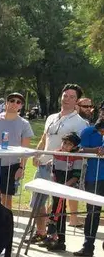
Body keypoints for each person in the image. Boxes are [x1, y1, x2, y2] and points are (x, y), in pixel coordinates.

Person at [29, 84, 89, 246]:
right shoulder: (51, 117)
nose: (67, 99)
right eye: (65, 95)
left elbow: (78, 148)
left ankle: (56, 238)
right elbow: (44, 138)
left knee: (57, 205)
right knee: (37, 202)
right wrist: (37, 153)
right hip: (43, 165)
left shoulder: (80, 123)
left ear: (76, 101)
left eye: (71, 97)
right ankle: (41, 232)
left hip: (62, 168)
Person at [0, 93, 34, 209]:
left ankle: (6, 224)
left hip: (12, 165)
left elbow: (25, 149)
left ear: (21, 106)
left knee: (7, 199)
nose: (14, 103)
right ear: (6, 103)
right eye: (12, 100)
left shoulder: (24, 124)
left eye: (18, 102)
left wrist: (21, 168)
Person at [45, 132, 83, 252]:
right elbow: (53, 170)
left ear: (75, 146)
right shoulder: (57, 153)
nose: (65, 146)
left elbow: (76, 175)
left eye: (69, 144)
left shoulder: (77, 157)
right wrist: (54, 180)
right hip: (56, 185)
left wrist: (65, 185)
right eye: (64, 143)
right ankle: (53, 238)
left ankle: (60, 241)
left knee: (58, 212)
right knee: (55, 212)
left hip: (66, 187)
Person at [76, 116, 104, 257]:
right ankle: (88, 246)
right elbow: (81, 150)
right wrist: (97, 150)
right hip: (95, 176)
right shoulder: (88, 131)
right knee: (92, 212)